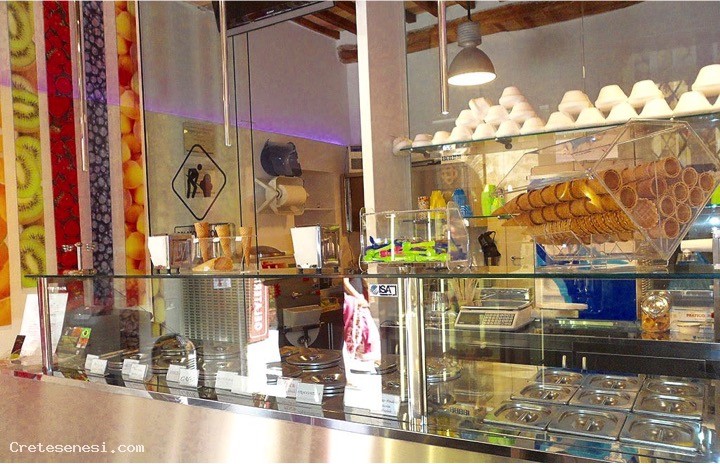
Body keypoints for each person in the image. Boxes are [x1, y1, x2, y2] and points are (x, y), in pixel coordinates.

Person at [342, 277, 381, 361]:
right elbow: (345, 282)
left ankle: (360, 356)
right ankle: (357, 357)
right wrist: (359, 298)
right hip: (355, 303)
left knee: (366, 332)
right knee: (359, 333)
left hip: (358, 303)